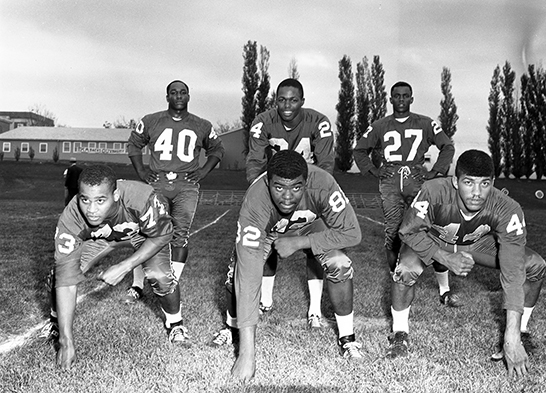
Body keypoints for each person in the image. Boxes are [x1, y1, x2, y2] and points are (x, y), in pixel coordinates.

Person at [388, 150, 546, 379]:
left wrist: (511, 335)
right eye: (468, 183)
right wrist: (443, 257)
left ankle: (521, 330)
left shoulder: (507, 208)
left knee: (535, 265)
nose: (476, 193)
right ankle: (400, 333)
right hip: (435, 238)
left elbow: (512, 271)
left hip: (476, 242)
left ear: (493, 183)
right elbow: (408, 232)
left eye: (484, 184)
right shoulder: (434, 191)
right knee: (405, 269)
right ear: (455, 181)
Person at [217, 150, 363, 382]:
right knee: (237, 270)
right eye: (279, 188)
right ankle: (232, 327)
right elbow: (248, 272)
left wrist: (301, 242)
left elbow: (352, 233)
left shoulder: (323, 183)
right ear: (267, 181)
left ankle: (347, 337)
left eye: (296, 188)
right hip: (269, 231)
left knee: (339, 263)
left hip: (312, 227)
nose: (287, 197)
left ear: (307, 182)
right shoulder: (256, 198)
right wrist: (247, 355)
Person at [50, 165, 190, 369]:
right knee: (58, 274)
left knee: (159, 275)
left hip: (141, 235)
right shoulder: (71, 216)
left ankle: (175, 323)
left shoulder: (141, 198)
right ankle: (56, 322)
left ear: (115, 195)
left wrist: (125, 266)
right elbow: (66, 278)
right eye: (84, 199)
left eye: (100, 200)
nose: (91, 209)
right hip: (103, 239)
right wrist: (66, 340)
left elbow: (163, 234)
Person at [353, 81, 459, 308]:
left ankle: (444, 289)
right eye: (397, 96)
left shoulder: (425, 122)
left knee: (429, 230)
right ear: (390, 99)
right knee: (392, 231)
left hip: (417, 179)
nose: (401, 100)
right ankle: (397, 280)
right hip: (390, 181)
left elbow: (447, 146)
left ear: (411, 98)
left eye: (405, 96)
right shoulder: (380, 125)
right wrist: (373, 170)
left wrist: (437, 171)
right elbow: (360, 150)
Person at [245, 78, 335, 329]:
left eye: (293, 100)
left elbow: (326, 164)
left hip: (307, 190)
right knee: (268, 241)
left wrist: (316, 195)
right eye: (282, 100)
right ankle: (265, 300)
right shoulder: (263, 121)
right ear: (275, 101)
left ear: (302, 101)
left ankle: (314, 310)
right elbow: (255, 160)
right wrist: (257, 190)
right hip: (275, 190)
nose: (287, 105)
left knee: (316, 246)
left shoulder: (318, 122)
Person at [126, 80, 224, 303]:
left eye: (183, 92)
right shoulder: (151, 120)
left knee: (180, 234)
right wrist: (141, 170)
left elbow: (217, 149)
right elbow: (134, 144)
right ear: (167, 96)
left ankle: (171, 285)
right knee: (148, 232)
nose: (178, 96)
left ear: (189, 96)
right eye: (173, 92)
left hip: (186, 185)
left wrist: (203, 171)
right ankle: (137, 284)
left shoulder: (202, 124)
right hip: (158, 181)